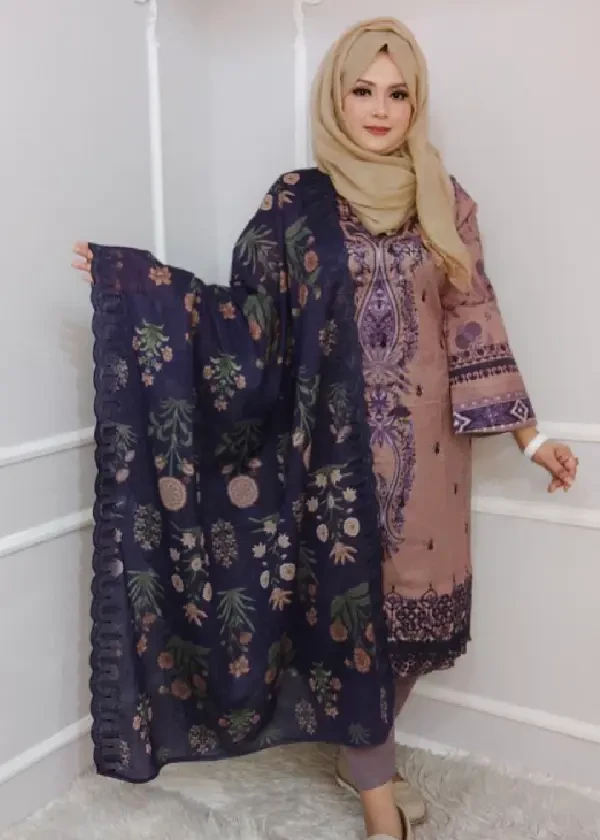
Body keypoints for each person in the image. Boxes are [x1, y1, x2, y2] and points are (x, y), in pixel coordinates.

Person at [73, 17, 578, 840]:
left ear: (416, 103)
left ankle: (360, 755)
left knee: (412, 632)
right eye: (362, 90)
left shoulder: (445, 200)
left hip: (430, 465)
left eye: (398, 93)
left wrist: (532, 439)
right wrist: (144, 286)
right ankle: (382, 811)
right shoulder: (295, 205)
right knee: (352, 628)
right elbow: (249, 319)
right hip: (331, 461)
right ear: (335, 98)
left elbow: (475, 316)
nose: (380, 109)